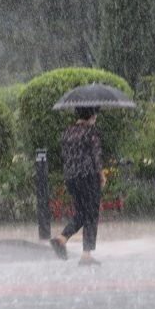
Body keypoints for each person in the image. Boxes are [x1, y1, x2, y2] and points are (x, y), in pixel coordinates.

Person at [50, 106, 106, 266]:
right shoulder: (90, 132)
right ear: (92, 115)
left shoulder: (67, 132)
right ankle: (86, 255)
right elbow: (96, 156)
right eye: (95, 114)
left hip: (71, 178)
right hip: (88, 177)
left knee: (82, 213)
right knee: (91, 214)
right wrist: (101, 175)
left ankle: (61, 239)